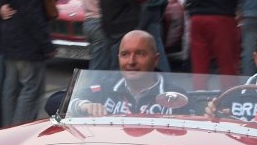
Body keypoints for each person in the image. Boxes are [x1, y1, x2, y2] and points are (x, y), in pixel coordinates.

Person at [49, 31, 189, 116]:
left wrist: (210, 112)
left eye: (140, 54)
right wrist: (83, 106)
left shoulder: (176, 94)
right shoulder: (106, 88)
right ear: (118, 59)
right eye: (125, 54)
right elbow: (53, 102)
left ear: (156, 59)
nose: (131, 61)